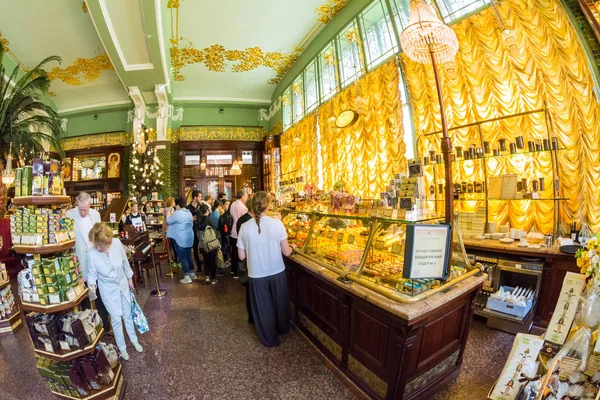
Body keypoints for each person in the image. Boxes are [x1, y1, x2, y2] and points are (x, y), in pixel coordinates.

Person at [238, 192, 293, 347]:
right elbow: (286, 252)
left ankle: (270, 339)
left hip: (256, 274)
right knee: (279, 303)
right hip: (277, 271)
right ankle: (283, 330)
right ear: (268, 206)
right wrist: (293, 247)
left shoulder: (244, 227)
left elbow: (241, 256)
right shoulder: (277, 224)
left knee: (264, 307)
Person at [87, 222, 143, 361]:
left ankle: (134, 340)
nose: (101, 248)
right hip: (108, 290)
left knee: (128, 315)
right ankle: (122, 348)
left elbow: (125, 262)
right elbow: (92, 274)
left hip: (122, 285)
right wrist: (92, 286)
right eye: (98, 245)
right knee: (116, 320)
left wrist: (130, 279)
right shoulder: (92, 253)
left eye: (104, 245)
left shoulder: (117, 243)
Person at [66, 192, 109, 332]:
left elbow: (100, 236)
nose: (83, 212)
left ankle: (105, 325)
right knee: (84, 295)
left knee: (100, 294)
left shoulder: (96, 215)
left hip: (96, 259)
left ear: (90, 205)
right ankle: (88, 328)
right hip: (79, 261)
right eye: (81, 210)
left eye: (86, 209)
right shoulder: (69, 215)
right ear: (76, 203)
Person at [167, 198, 196, 284]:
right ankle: (192, 273)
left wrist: (168, 212)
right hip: (189, 237)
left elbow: (168, 221)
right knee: (189, 256)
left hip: (180, 238)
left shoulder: (178, 213)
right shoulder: (189, 213)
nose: (175, 206)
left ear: (178, 205)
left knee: (183, 257)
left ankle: (187, 277)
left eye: (175, 205)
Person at [236, 196, 254, 324]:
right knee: (251, 290)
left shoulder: (242, 220)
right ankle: (253, 316)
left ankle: (251, 316)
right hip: (250, 260)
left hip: (247, 258)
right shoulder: (248, 222)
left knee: (250, 291)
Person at [197, 203, 219, 285]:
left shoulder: (198, 220)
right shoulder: (209, 220)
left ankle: (206, 277)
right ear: (207, 211)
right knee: (212, 261)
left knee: (205, 261)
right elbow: (215, 232)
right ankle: (213, 279)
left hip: (202, 244)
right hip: (210, 243)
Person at [229, 190, 248, 278]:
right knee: (238, 253)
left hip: (233, 230)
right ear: (242, 196)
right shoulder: (242, 207)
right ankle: (238, 273)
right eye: (246, 196)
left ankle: (233, 270)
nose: (246, 198)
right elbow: (244, 220)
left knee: (233, 252)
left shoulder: (233, 204)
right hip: (239, 231)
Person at [187, 190, 203, 274]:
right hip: (192, 231)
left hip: (201, 230)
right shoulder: (187, 208)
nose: (201, 198)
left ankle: (205, 266)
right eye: (199, 196)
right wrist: (191, 219)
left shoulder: (202, 206)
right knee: (195, 249)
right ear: (195, 197)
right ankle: (198, 266)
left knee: (203, 248)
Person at [218, 201, 232, 267]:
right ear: (223, 205)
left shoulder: (229, 215)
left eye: (229, 204)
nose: (228, 205)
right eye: (226, 204)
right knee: (225, 247)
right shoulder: (223, 216)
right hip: (225, 235)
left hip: (226, 234)